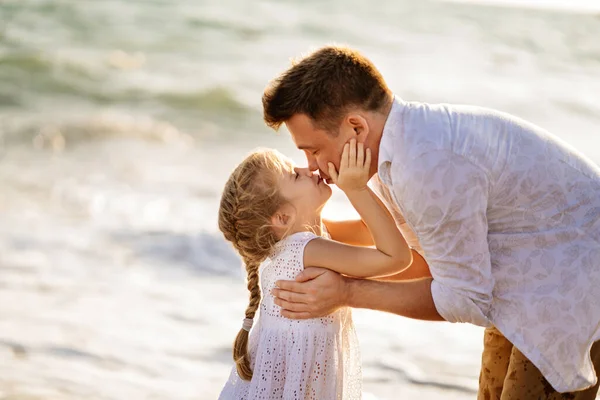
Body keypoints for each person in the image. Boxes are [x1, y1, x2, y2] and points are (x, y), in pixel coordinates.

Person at [262, 45, 600, 399]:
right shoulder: (397, 145)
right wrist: (297, 236)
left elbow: (464, 299)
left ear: (356, 127)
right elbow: (419, 248)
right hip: (522, 283)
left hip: (570, 290)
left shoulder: (426, 166)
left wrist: (346, 292)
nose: (312, 165)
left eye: (313, 149)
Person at [217, 142, 420, 399]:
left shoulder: (305, 241)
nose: (306, 169)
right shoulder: (307, 250)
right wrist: (354, 188)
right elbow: (397, 257)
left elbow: (371, 229)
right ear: (283, 218)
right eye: (294, 174)